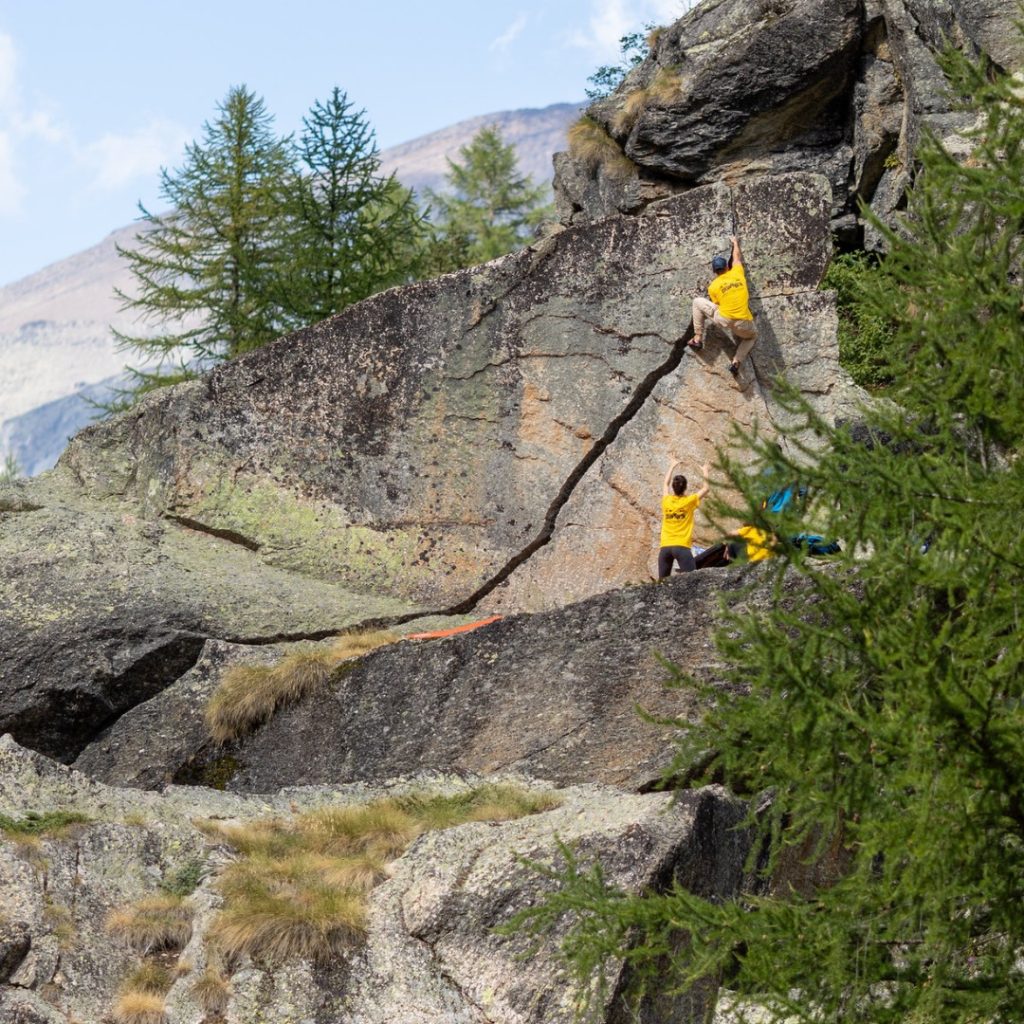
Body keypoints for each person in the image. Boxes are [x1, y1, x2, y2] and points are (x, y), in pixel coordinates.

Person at [689, 234, 757, 376]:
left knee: (697, 302)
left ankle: (697, 339)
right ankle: (736, 361)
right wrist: (735, 242)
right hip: (743, 323)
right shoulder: (737, 273)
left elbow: (717, 304)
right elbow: (737, 257)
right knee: (752, 337)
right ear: (727, 266)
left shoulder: (713, 286)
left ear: (715, 271)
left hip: (724, 319)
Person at [657, 460, 710, 578]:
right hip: (681, 546)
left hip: (665, 547)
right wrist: (705, 471)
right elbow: (706, 488)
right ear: (685, 487)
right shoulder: (688, 501)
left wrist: (672, 465)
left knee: (661, 585)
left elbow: (665, 484)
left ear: (673, 487)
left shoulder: (667, 501)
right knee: (692, 580)